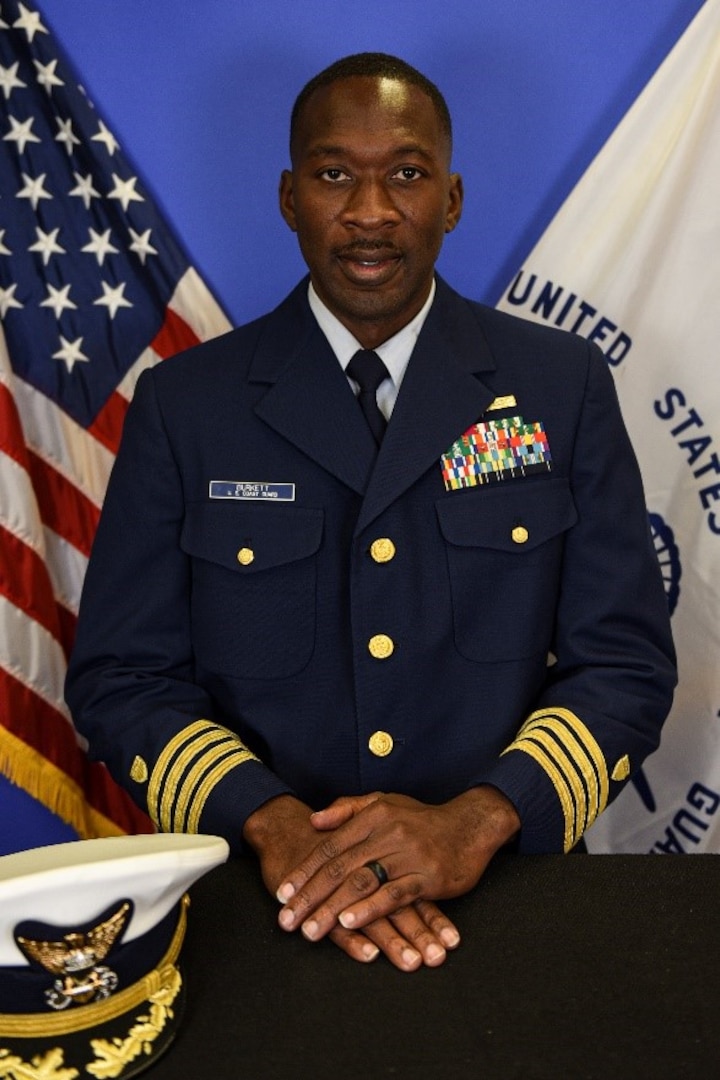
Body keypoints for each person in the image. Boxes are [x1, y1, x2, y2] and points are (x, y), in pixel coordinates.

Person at [66, 53, 676, 973]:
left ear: (454, 197)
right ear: (288, 196)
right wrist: (273, 825)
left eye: (407, 172)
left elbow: (624, 664)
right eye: (333, 173)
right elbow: (121, 676)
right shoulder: (187, 406)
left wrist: (478, 820)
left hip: (506, 893)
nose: (370, 211)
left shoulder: (561, 387)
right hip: (266, 901)